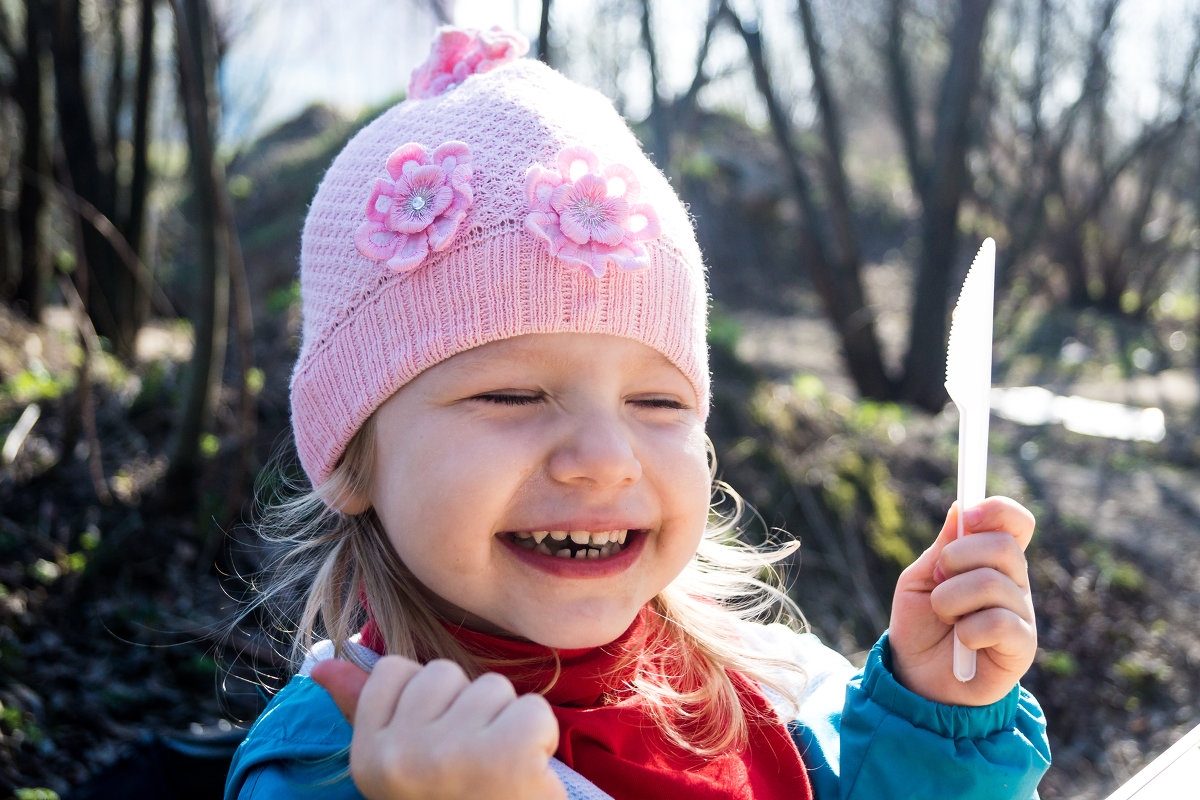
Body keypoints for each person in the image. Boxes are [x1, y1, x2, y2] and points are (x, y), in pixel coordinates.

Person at [224, 24, 1050, 800]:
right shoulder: (340, 764)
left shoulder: (764, 682)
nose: (606, 456)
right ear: (349, 457)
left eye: (657, 400)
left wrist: (931, 717)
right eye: (512, 394)